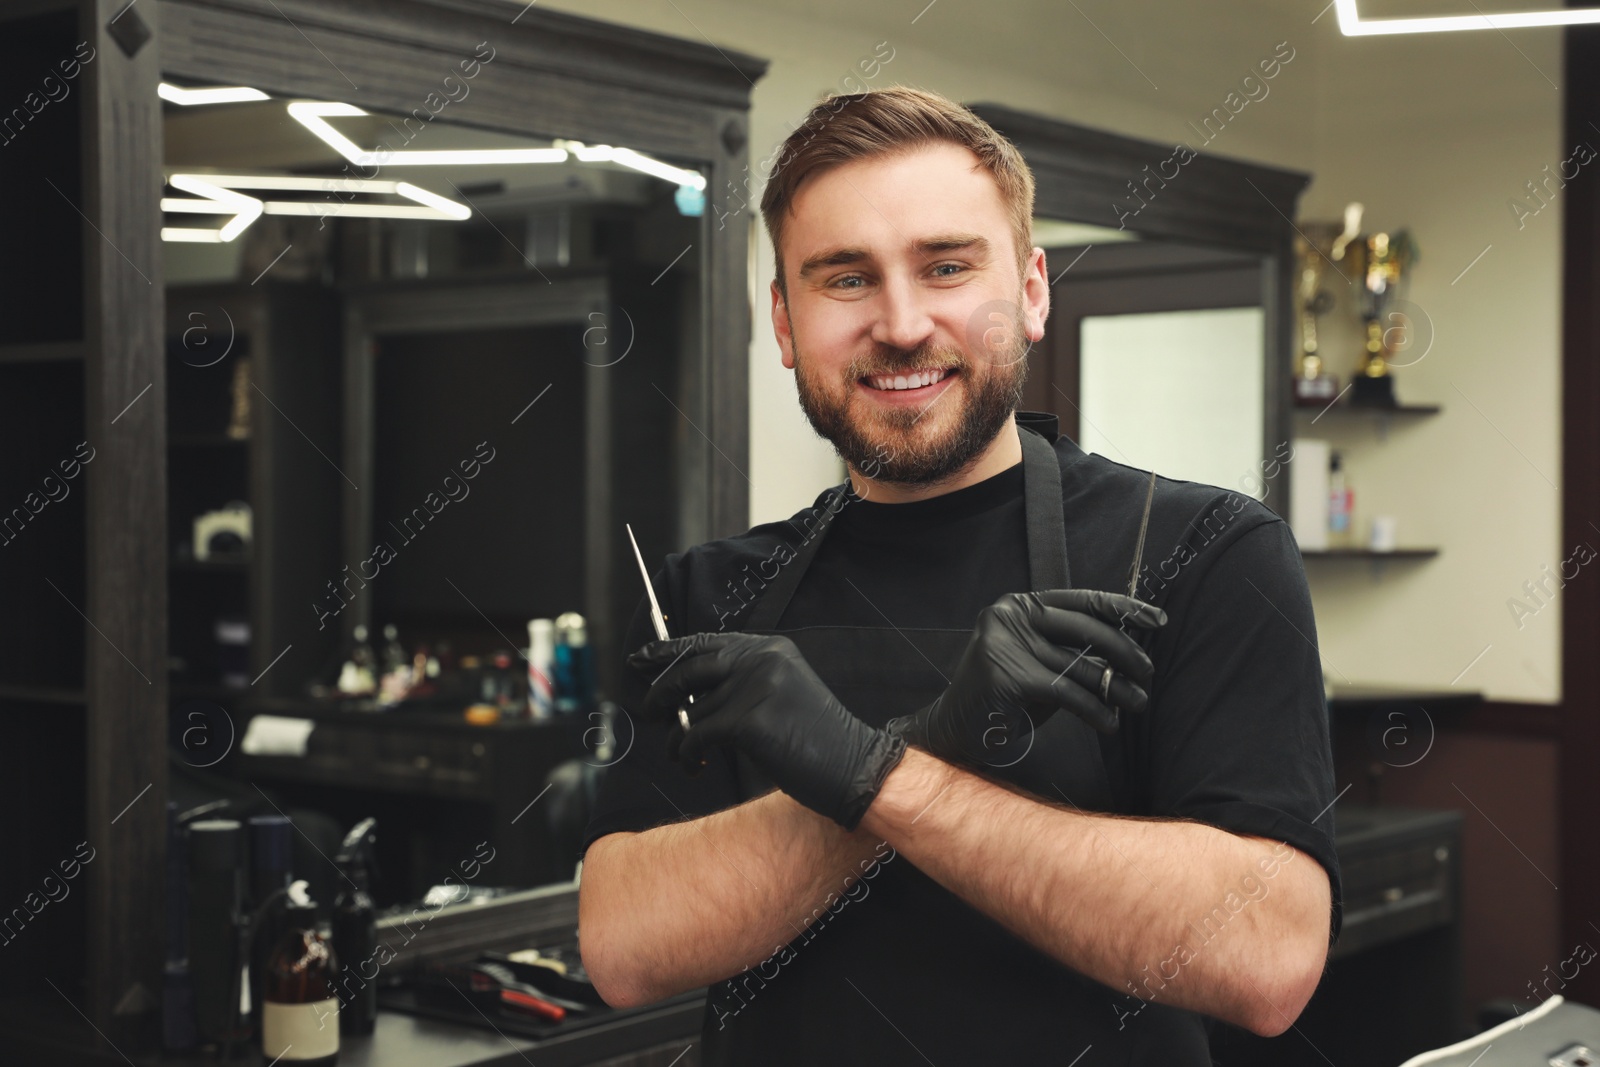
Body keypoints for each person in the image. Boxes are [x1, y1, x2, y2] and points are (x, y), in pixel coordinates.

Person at [578, 85, 1341, 1065]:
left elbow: (1263, 954)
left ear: (1029, 289)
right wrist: (938, 746)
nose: (900, 323)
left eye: (945, 266)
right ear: (783, 320)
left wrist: (872, 768)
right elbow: (625, 946)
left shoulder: (1204, 549)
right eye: (844, 278)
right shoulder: (711, 593)